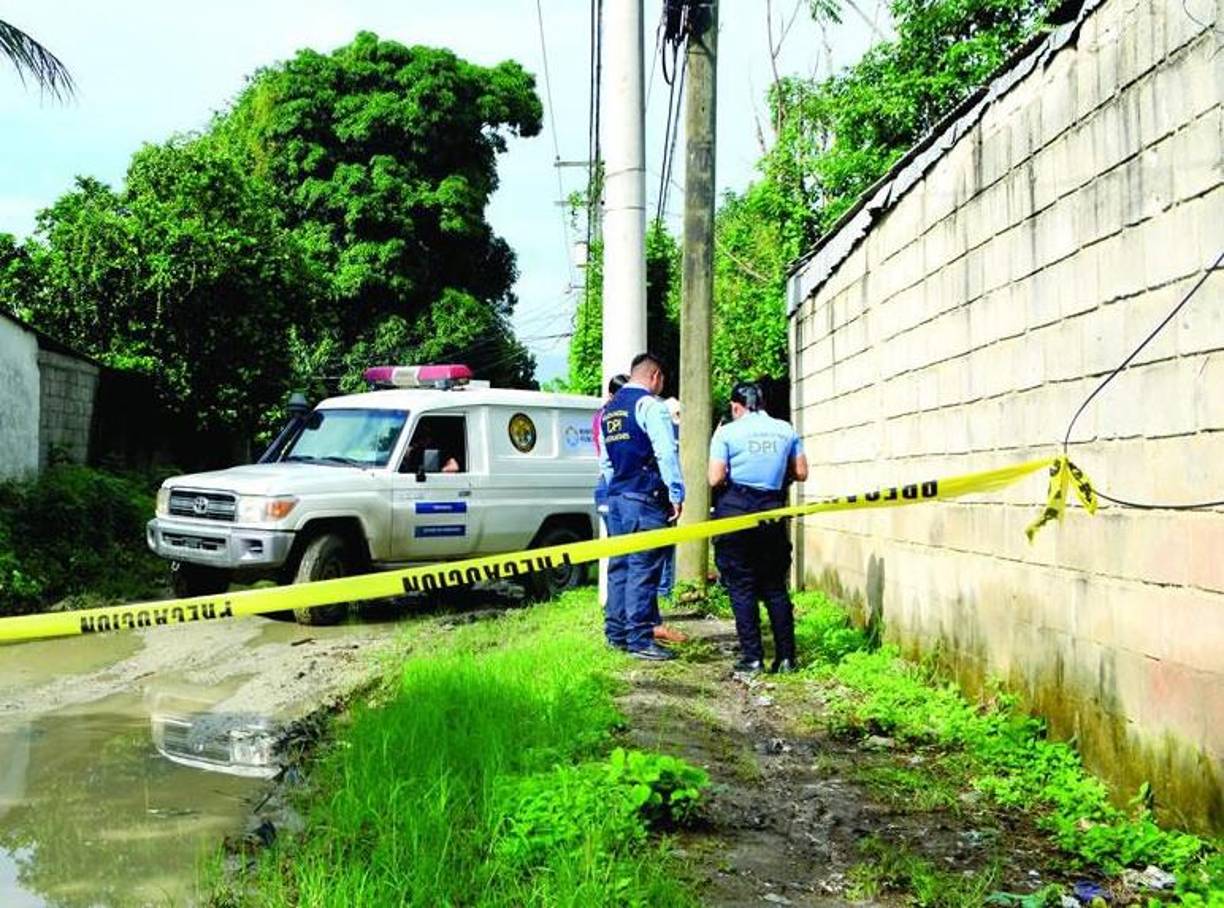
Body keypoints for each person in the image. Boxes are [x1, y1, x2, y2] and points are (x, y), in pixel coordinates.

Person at [708, 381, 809, 674]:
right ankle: (787, 658)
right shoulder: (786, 429)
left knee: (742, 587)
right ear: (763, 404)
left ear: (735, 407)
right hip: (772, 513)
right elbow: (801, 472)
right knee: (775, 586)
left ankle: (752, 657)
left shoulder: (726, 433)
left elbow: (715, 478)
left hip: (735, 514)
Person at [599, 352, 685, 661]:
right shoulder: (649, 406)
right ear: (655, 376)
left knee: (620, 566)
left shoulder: (609, 411)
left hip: (618, 498)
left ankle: (616, 634)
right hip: (645, 498)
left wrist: (615, 491)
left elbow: (606, 462)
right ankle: (639, 639)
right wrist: (676, 492)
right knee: (643, 569)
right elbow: (665, 452)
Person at [593, 373, 630, 527]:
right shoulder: (608, 417)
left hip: (608, 481)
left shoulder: (602, 414)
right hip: (612, 482)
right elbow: (606, 458)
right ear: (611, 395)